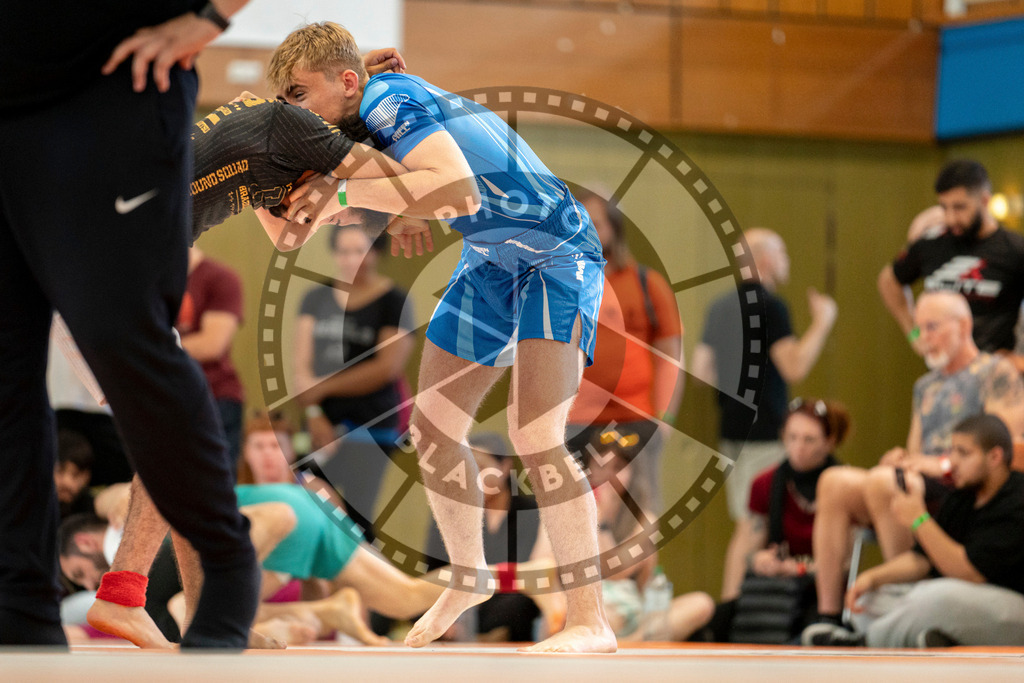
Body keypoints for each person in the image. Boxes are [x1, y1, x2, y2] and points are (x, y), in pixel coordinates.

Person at [269, 21, 616, 652]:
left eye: (298, 94)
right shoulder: (362, 106)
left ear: (345, 82)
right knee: (432, 430)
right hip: (489, 258)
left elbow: (455, 187)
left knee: (535, 434)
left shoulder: (385, 98)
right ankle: (468, 575)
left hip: (555, 251)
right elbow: (297, 229)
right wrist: (387, 203)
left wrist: (350, 195)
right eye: (284, 100)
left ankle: (592, 621)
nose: (294, 111)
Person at [77, 47, 417, 649]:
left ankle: (204, 619)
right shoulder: (290, 126)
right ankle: (124, 595)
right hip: (115, 267)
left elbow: (289, 235)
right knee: (177, 440)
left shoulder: (271, 148)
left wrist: (351, 114)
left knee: (184, 447)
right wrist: (402, 206)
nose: (334, 216)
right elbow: (395, 174)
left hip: (110, 264)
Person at [0, 0, 264, 648]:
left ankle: (225, 568)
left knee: (127, 342)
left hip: (112, 89)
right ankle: (21, 598)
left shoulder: (288, 128)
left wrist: (211, 16)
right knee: (7, 366)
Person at [806, 290, 1024, 630]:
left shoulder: (996, 372)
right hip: (924, 476)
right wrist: (902, 458)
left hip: (964, 482)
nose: (923, 338)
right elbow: (916, 450)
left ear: (963, 326)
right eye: (919, 329)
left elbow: (1003, 444)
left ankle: (906, 601)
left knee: (886, 483)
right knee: (834, 481)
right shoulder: (925, 385)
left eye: (932, 327)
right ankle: (829, 615)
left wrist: (942, 464)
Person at [691, 227, 837, 603]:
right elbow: (794, 366)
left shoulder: (719, 307)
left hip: (731, 432)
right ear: (764, 258)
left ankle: (732, 604)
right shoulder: (772, 306)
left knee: (746, 521)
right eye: (782, 252)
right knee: (751, 525)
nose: (787, 261)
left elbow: (701, 371)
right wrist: (823, 322)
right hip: (767, 431)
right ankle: (730, 608)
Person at [803, 414, 1024, 647]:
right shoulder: (963, 497)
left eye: (964, 453)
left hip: (1012, 609)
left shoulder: (1017, 499)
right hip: (962, 604)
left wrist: (919, 519)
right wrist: (872, 578)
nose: (953, 461)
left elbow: (970, 572)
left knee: (936, 596)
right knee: (868, 600)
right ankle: (937, 639)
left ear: (995, 457)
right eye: (952, 451)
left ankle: (864, 643)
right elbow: (922, 560)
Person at [566, 189, 684, 514]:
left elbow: (670, 359)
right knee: (574, 514)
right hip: (575, 421)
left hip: (637, 418)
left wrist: (665, 419)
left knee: (641, 511)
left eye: (596, 223)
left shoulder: (648, 284)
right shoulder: (558, 285)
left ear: (614, 228)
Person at [294, 223, 415, 538]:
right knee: (310, 508)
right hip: (322, 424)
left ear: (375, 252)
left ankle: (363, 567)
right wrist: (313, 412)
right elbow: (301, 367)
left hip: (372, 426)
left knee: (357, 518)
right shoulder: (315, 298)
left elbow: (386, 368)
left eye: (359, 251)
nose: (351, 260)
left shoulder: (394, 301)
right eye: (344, 252)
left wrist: (323, 386)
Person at [712, 398, 848, 642]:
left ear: (830, 441)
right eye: (791, 437)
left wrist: (799, 569)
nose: (798, 447)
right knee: (718, 622)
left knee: (811, 633)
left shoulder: (846, 486)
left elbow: (846, 563)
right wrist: (758, 561)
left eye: (809, 440)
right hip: (776, 595)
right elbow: (745, 548)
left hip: (825, 596)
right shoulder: (765, 483)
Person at [878, 159, 1024, 355]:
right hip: (942, 368)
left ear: (984, 200)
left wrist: (1019, 361)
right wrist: (913, 333)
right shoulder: (931, 244)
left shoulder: (1014, 250)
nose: (950, 218)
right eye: (944, 207)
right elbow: (888, 281)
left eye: (959, 207)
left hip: (992, 366)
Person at [422, 433, 548, 642]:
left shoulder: (531, 512)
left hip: (512, 600)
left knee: (521, 604)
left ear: (505, 467)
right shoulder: (450, 513)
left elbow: (533, 572)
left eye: (480, 469)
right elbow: (435, 568)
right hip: (462, 603)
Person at [177, 247, 245, 470]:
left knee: (213, 479)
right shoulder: (151, 278)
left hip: (214, 397)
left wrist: (150, 348)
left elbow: (211, 345)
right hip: (165, 398)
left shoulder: (219, 278)